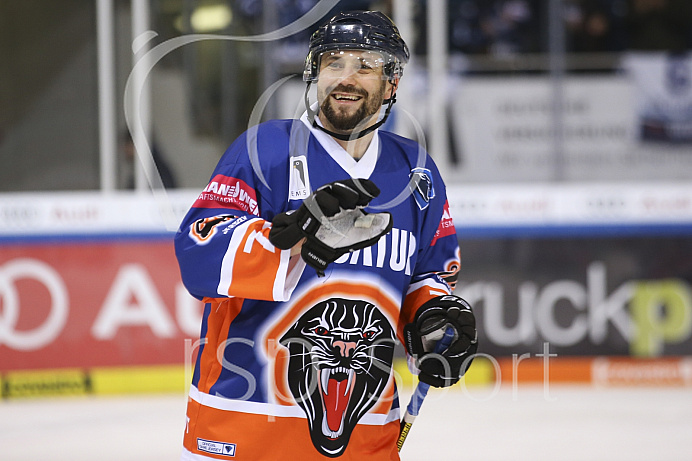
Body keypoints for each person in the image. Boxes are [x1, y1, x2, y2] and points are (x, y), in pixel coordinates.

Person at [175, 10, 477, 461]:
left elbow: (429, 274)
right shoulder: (265, 149)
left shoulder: (417, 172)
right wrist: (287, 240)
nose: (346, 77)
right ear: (314, 74)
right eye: (334, 62)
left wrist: (435, 317)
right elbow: (197, 254)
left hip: (366, 435)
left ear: (391, 83)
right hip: (243, 428)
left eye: (365, 65)